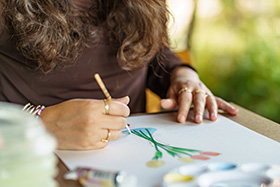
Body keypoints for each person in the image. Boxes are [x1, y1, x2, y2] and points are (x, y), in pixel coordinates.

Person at [0, 0, 238, 150]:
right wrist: (38, 124)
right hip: (28, 159)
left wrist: (181, 74)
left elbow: (151, 49)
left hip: (131, 158)